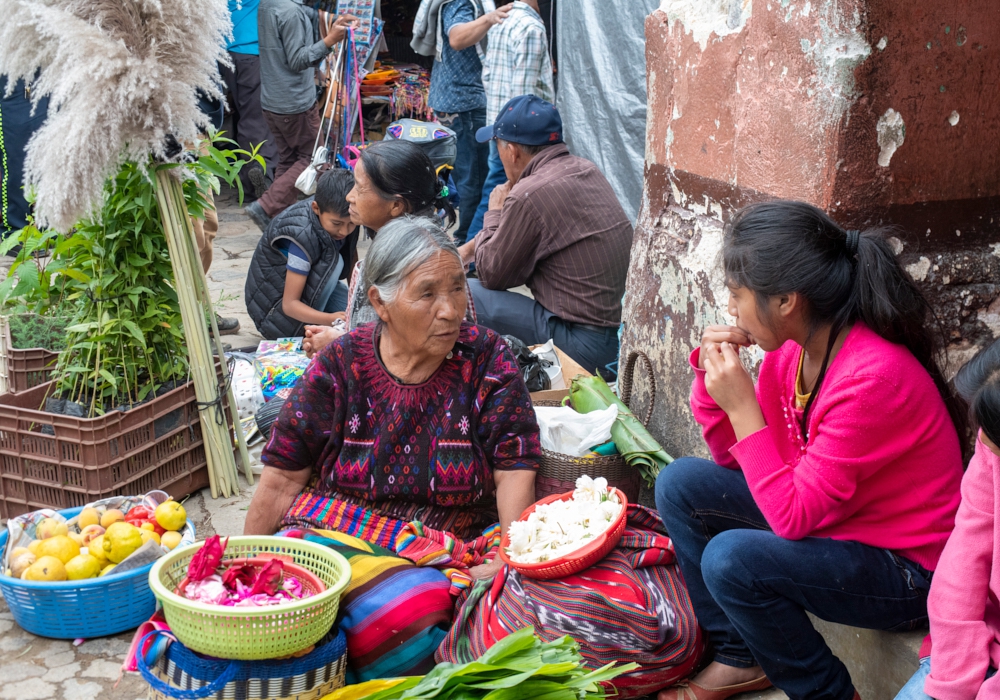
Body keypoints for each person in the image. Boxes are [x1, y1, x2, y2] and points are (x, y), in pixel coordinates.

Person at [654, 201, 965, 700]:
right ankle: (740, 657)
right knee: (680, 485)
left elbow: (791, 518)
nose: (731, 310)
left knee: (733, 560)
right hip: (839, 523)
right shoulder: (793, 354)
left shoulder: (872, 378)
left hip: (907, 571)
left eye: (738, 295)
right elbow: (740, 465)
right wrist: (710, 388)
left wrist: (743, 410)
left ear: (786, 302)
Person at [244, 215, 540, 679]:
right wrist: (247, 563)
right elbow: (283, 475)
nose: (450, 309)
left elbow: (515, 464)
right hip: (339, 529)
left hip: (446, 543)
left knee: (415, 612)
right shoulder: (341, 363)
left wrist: (510, 555)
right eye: (427, 293)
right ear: (379, 302)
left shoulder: (488, 359)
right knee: (287, 590)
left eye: (458, 288)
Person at [459, 95, 632, 376]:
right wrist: (466, 251)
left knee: (465, 292)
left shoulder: (529, 193)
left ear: (512, 151)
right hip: (618, 338)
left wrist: (494, 213)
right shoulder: (586, 169)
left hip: (586, 348)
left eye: (498, 147)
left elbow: (492, 273)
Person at [893, 339, 1000, 700]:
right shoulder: (993, 446)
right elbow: (965, 556)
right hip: (985, 637)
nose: (984, 444)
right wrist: (952, 684)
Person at [299, 139, 475, 358]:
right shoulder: (438, 245)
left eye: (359, 188)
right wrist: (340, 331)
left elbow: (384, 353)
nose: (349, 197)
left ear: (395, 205)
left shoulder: (400, 263)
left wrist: (338, 343)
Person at [245, 0, 355, 231]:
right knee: (313, 158)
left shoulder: (269, 4)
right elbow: (297, 60)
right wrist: (329, 40)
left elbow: (300, 14)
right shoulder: (290, 11)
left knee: (289, 159)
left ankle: (278, 216)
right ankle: (265, 206)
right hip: (294, 104)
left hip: (273, 101)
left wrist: (330, 21)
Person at [426, 1, 512, 245]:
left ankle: (470, 237)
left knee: (467, 174)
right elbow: (456, 37)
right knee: (474, 177)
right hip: (464, 103)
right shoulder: (463, 2)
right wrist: (489, 18)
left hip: (456, 100)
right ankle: (469, 241)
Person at [466, 0, 553, 240]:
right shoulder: (530, 28)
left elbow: (488, 74)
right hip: (517, 132)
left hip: (499, 122)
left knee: (498, 185)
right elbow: (523, 96)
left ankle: (475, 248)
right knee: (500, 188)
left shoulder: (502, 21)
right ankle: (472, 250)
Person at [244, 168, 357, 339]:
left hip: (312, 288)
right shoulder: (301, 237)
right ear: (316, 208)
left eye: (351, 224)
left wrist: (356, 299)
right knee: (335, 265)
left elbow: (352, 258)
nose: (344, 230)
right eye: (337, 223)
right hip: (275, 316)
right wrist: (330, 319)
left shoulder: (353, 215)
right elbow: (289, 305)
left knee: (359, 317)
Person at [219, 0, 278, 200]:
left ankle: (247, 176)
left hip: (226, 51)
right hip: (252, 52)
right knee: (257, 118)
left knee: (242, 116)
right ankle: (260, 172)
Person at [0, 75, 49, 241]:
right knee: (16, 156)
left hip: (46, 67)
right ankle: (15, 231)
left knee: (50, 151)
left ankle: (49, 230)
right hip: (9, 69)